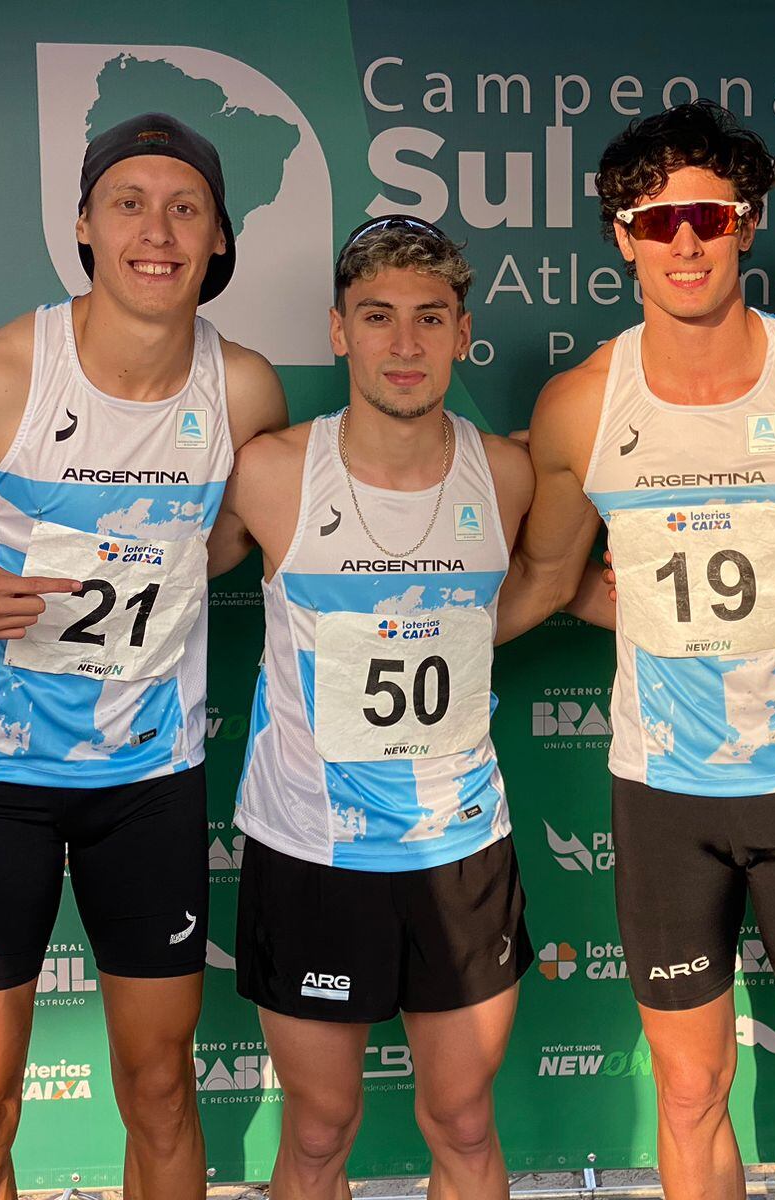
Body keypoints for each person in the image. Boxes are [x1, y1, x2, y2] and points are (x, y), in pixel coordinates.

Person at [495, 99, 775, 1200]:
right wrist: (390, 628)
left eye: (705, 217)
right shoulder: (580, 407)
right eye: (655, 223)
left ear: (746, 224)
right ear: (620, 237)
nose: (683, 243)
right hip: (662, 801)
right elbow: (554, 582)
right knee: (690, 1096)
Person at [0, 113, 287, 1198]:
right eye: (130, 204)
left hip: (146, 783)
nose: (158, 229)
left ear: (219, 239)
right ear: (86, 227)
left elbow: (229, 544)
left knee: (159, 1087)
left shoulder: (241, 390)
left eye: (185, 207)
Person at [205, 215, 537, 1200]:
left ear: (463, 332)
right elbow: (156, 578)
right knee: (317, 1131)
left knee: (465, 1123)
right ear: (340, 330)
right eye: (378, 316)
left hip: (459, 842)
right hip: (312, 846)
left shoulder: (508, 474)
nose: (404, 344)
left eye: (429, 319)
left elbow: (545, 584)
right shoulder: (269, 472)